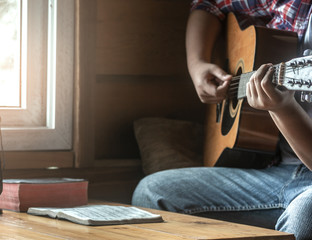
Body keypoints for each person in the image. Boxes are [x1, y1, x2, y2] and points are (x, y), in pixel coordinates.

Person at [132, 1, 312, 239]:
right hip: (274, 172)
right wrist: (198, 65)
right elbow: (210, 5)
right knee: (151, 192)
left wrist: (283, 109)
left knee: (305, 214)